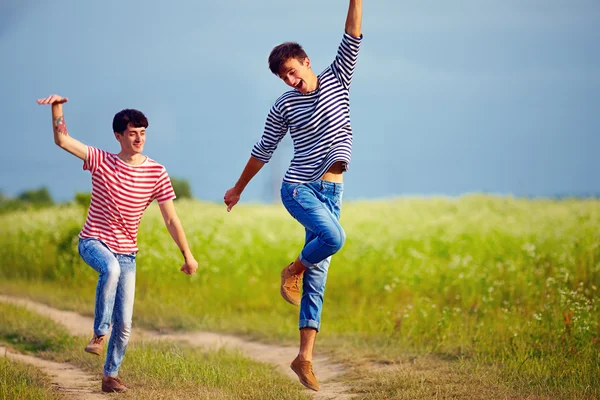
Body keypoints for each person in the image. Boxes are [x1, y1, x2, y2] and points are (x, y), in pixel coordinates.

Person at [223, 0, 362, 391]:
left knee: (318, 276)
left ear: (305, 61)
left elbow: (352, 35)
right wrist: (238, 188)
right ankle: (291, 270)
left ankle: (304, 358)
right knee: (333, 239)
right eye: (282, 77)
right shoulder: (283, 105)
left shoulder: (339, 78)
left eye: (291, 71)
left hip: (333, 191)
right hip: (298, 188)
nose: (289, 81)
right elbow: (262, 151)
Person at [36, 94, 199, 393]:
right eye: (132, 134)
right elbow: (62, 140)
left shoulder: (156, 173)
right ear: (118, 136)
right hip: (93, 241)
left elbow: (171, 220)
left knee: (125, 325)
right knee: (109, 270)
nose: (139, 139)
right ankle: (99, 334)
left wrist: (188, 255)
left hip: (128, 253)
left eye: (143, 133)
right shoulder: (101, 160)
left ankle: (110, 376)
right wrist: (57, 107)